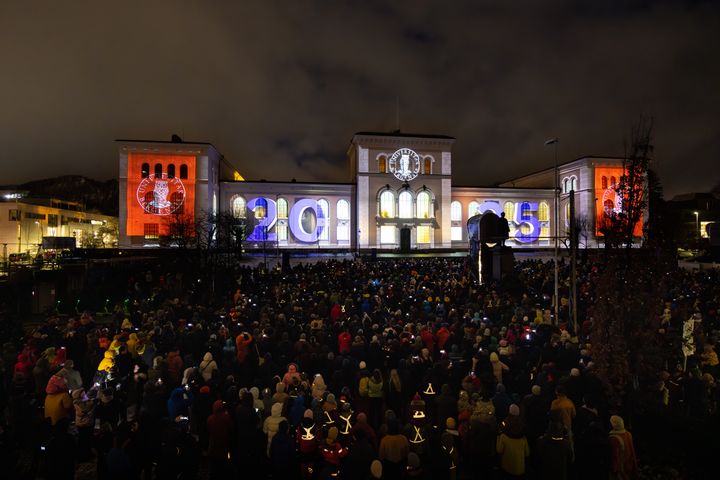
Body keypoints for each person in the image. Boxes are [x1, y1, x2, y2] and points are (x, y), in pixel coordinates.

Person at [608, 415, 638, 480]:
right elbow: (632, 450)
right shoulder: (628, 434)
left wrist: (614, 469)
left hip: (620, 467)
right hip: (629, 464)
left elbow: (614, 456)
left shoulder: (613, 438)